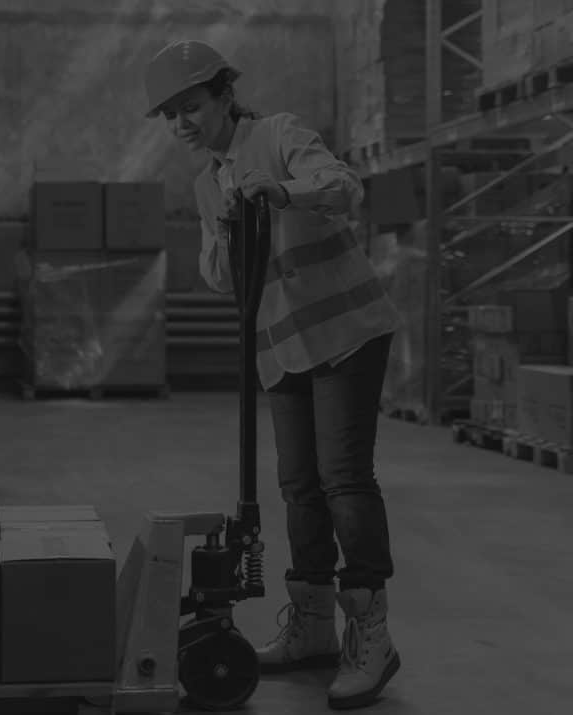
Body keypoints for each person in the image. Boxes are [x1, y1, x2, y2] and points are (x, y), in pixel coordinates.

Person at [143, 40, 404, 710]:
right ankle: (313, 626)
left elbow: (342, 188)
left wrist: (279, 190)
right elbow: (217, 276)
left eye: (191, 106)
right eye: (170, 115)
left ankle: (370, 632)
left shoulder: (280, 135)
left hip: (346, 335)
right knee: (298, 485)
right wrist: (228, 230)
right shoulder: (207, 185)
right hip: (282, 349)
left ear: (224, 95)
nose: (182, 124)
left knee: (343, 477)